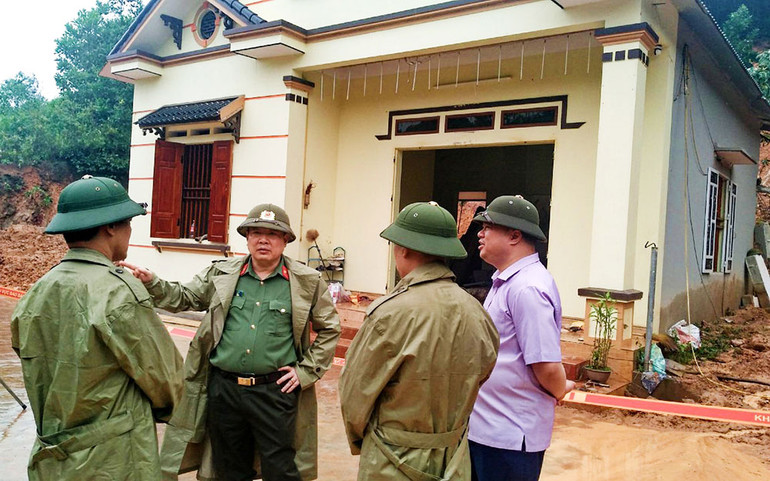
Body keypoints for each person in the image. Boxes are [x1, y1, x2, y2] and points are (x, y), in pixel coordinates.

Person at [121, 203, 340, 481]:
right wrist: (152, 281)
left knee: (281, 469)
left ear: (285, 241)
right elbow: (184, 297)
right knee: (228, 469)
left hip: (275, 393)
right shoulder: (223, 273)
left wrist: (305, 371)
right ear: (246, 237)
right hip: (225, 390)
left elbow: (330, 328)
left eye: (273, 234)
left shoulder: (306, 282)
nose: (263, 240)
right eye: (256, 232)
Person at [10, 175, 184, 481]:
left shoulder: (37, 292)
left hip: (53, 457)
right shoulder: (117, 291)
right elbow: (166, 381)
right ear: (111, 227)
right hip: (115, 460)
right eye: (128, 222)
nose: (130, 231)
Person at [339, 201, 500, 481]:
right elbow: (481, 375)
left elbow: (355, 393)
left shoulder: (389, 313)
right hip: (453, 458)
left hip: (392, 459)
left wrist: (364, 441)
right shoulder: (478, 313)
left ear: (403, 249)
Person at [468, 195, 575, 481]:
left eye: (488, 227)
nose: (480, 233)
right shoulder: (506, 281)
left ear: (514, 235)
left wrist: (560, 388)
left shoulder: (527, 288)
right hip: (489, 430)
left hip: (509, 437)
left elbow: (546, 366)